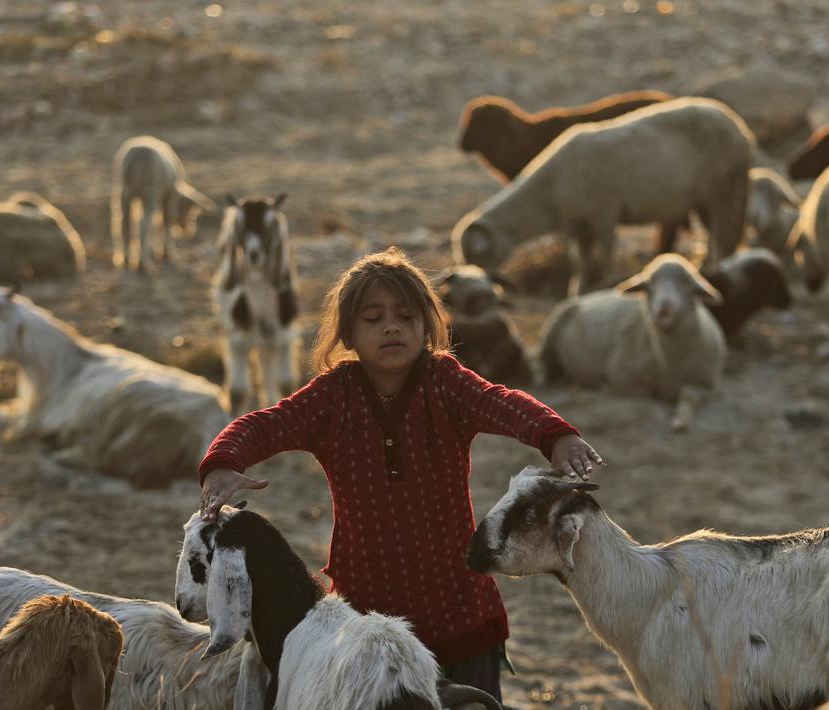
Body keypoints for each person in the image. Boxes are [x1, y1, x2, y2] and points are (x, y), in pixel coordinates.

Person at [198, 247, 603, 700]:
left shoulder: (444, 382)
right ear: (348, 334)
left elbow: (501, 401)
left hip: (459, 617)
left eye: (405, 316)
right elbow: (266, 423)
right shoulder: (333, 397)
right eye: (373, 319)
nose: (391, 327)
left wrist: (555, 436)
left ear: (427, 327)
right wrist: (224, 463)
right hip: (366, 626)